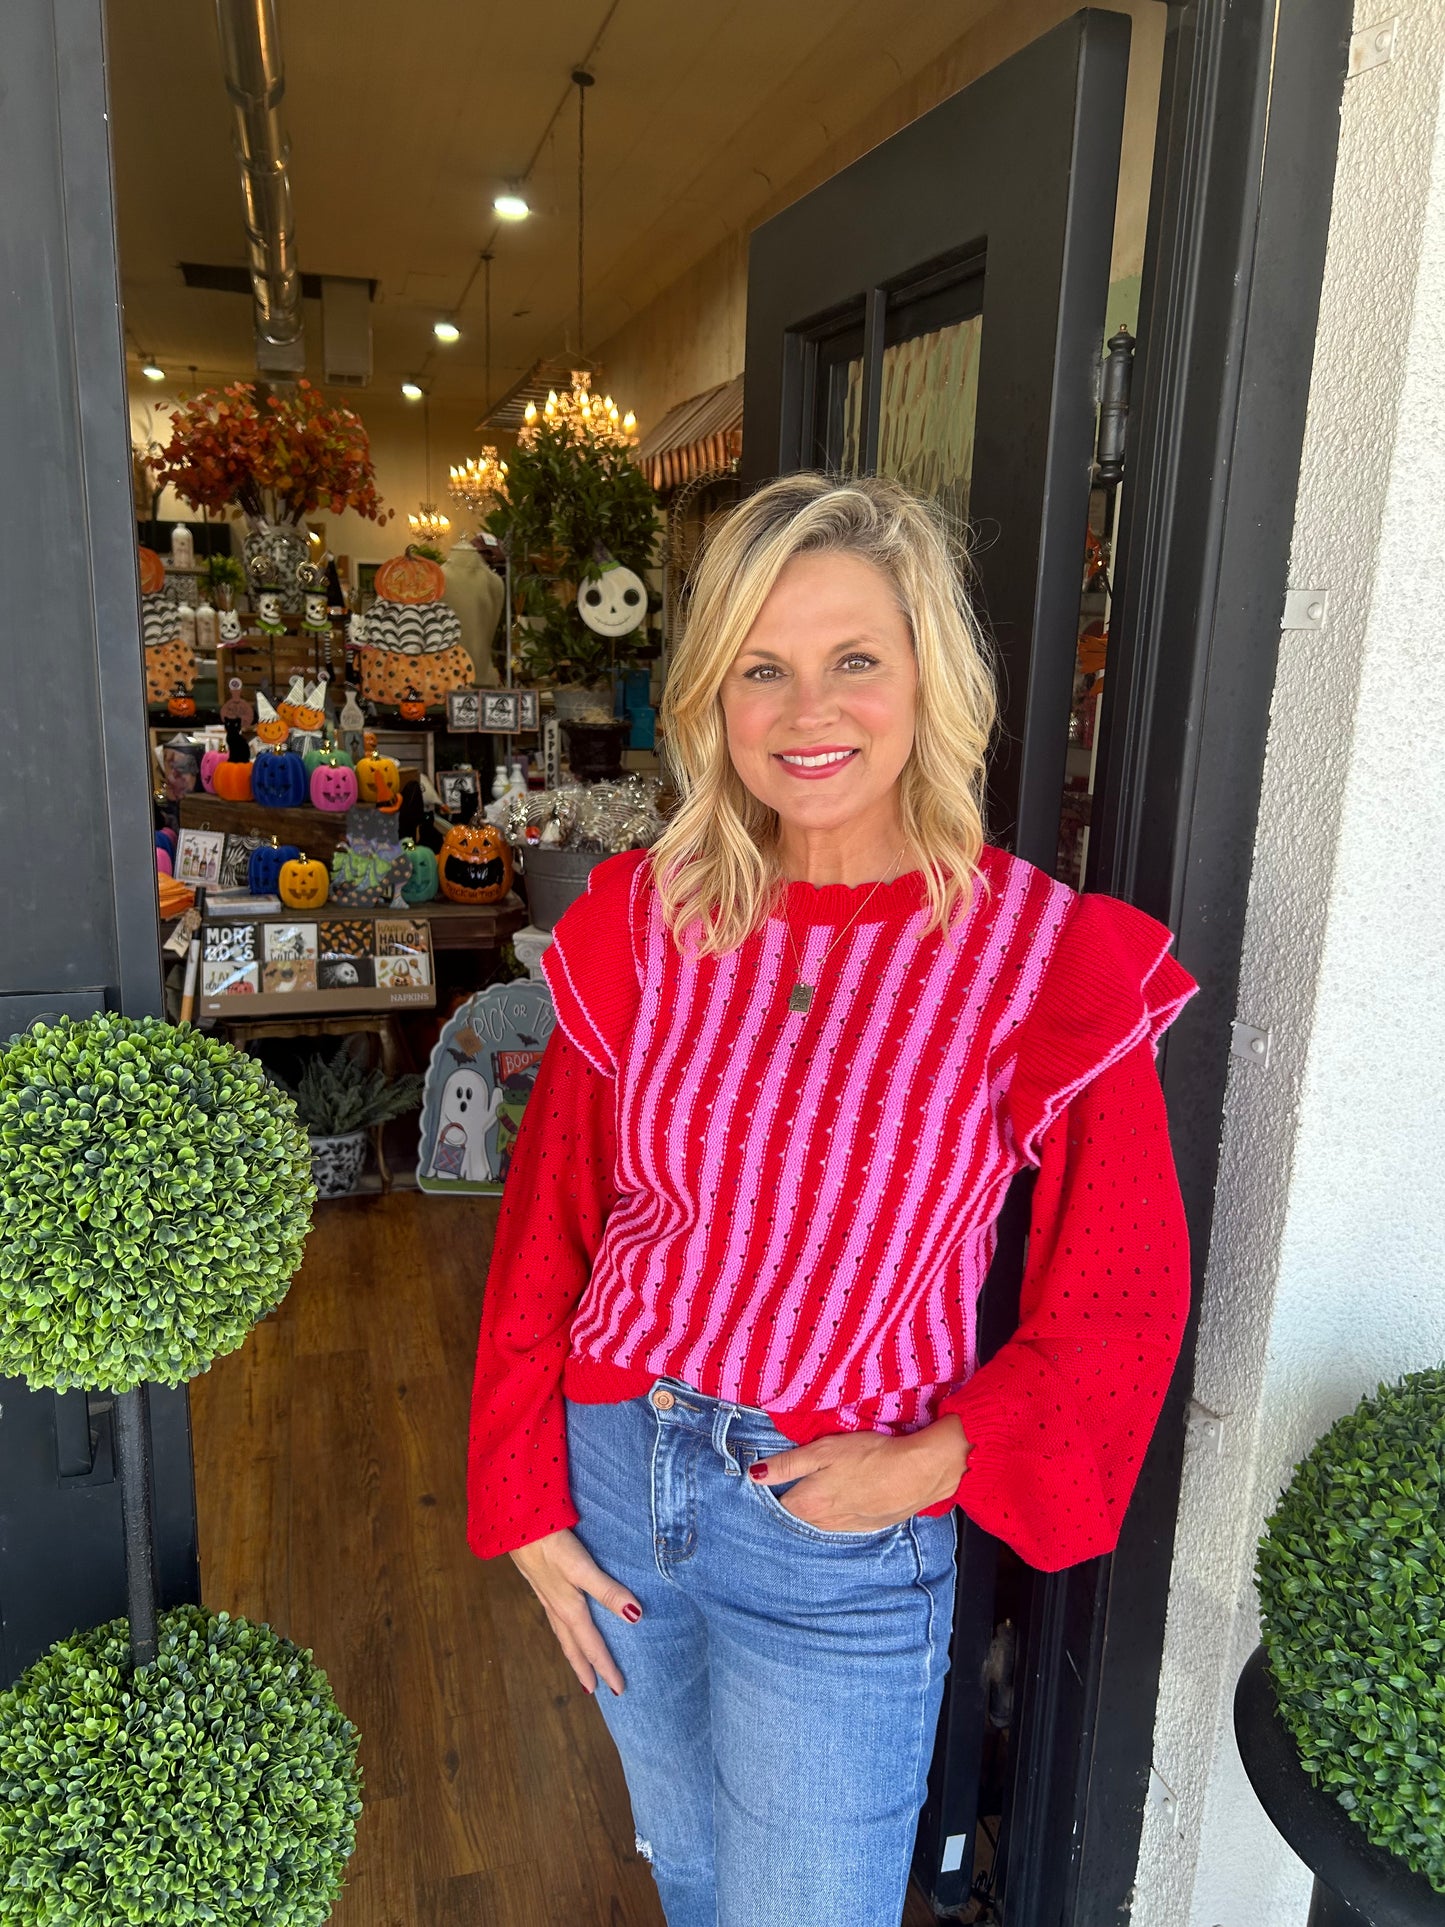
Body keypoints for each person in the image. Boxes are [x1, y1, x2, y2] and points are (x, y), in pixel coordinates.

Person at [467, 473, 1198, 1926]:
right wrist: (521, 1494)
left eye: (854, 659)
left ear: (929, 674)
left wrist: (935, 1461)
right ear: (712, 698)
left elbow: (1118, 1293)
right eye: (762, 667)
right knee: (690, 1874)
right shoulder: (645, 916)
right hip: (618, 1473)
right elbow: (552, 1217)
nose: (810, 710)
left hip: (834, 1532)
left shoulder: (1040, 959)